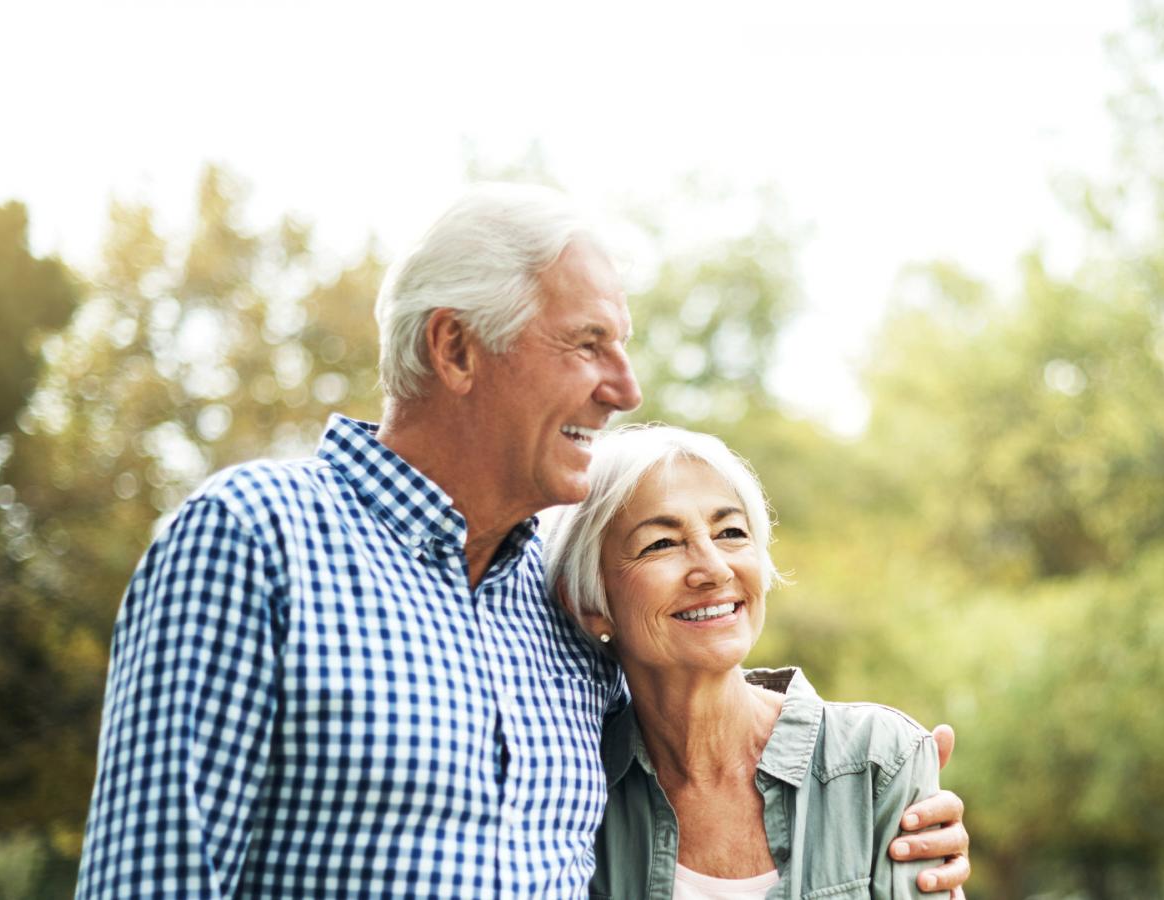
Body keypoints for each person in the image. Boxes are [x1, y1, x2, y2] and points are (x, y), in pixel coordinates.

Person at [75, 184, 970, 898]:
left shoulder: (556, 603)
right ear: (456, 349)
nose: (625, 388)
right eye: (588, 345)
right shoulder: (254, 540)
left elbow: (703, 707)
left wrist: (880, 791)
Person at [545, 425, 948, 899]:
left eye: (731, 532)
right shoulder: (573, 791)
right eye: (661, 543)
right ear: (588, 604)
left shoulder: (879, 760)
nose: (715, 569)